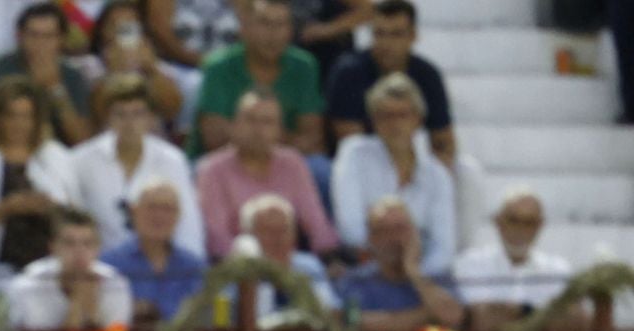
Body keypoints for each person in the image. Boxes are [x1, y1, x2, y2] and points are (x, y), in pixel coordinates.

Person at [0, 75, 80, 273]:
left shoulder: (55, 156)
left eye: (26, 116)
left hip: (50, 270)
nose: (19, 124)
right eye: (11, 115)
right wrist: (6, 208)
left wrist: (50, 209)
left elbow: (76, 219)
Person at [330, 72, 456, 276]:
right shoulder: (354, 154)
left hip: (421, 273)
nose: (394, 124)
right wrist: (388, 266)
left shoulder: (437, 175)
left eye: (402, 115)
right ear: (374, 121)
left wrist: (414, 273)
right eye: (385, 116)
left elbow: (444, 246)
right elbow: (350, 230)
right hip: (367, 266)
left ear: (418, 119)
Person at [70, 75, 202, 263]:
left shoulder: (172, 160)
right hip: (100, 269)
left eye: (137, 114)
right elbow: (75, 221)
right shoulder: (81, 160)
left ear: (150, 118)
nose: (129, 124)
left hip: (159, 267)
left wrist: (188, 272)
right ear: (107, 117)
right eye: (120, 114)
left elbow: (188, 225)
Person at [195, 90, 337, 259]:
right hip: (237, 268)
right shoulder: (212, 170)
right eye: (250, 120)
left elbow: (317, 224)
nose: (258, 129)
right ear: (233, 125)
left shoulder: (292, 163)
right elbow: (217, 238)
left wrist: (330, 258)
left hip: (289, 263)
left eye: (267, 122)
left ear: (280, 131)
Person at [191, 0, 326, 163]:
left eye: (281, 24)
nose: (273, 33)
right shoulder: (217, 66)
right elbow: (214, 137)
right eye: (264, 23)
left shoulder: (305, 66)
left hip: (284, 162)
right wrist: (275, 135)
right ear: (244, 26)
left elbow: (311, 137)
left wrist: (252, 135)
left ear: (291, 29)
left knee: (320, 169)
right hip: (224, 163)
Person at [324, 0, 451, 163]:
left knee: (464, 168)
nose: (386, 43)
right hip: (358, 164)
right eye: (379, 33)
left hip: (410, 162)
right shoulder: (349, 72)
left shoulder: (428, 75)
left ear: (413, 36)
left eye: (396, 34)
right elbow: (350, 140)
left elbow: (444, 140)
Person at [0, 3, 95, 146]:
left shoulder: (72, 75)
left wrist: (55, 87)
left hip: (56, 156)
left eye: (48, 36)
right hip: (0, 150)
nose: (40, 43)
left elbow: (82, 140)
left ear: (62, 39)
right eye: (33, 35)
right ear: (19, 36)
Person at [337, 197, 462, 331]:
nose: (393, 238)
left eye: (400, 229)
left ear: (415, 235)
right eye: (383, 231)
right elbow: (352, 322)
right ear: (371, 239)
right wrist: (426, 315)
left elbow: (451, 316)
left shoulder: (438, 277)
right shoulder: (354, 281)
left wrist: (413, 271)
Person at [453, 189, 572, 331]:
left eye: (529, 222)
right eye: (513, 220)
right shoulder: (469, 264)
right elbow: (483, 319)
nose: (520, 229)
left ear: (540, 226)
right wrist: (539, 315)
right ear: (498, 222)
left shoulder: (558, 270)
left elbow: (572, 321)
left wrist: (515, 312)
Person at [7, 203, 133, 330]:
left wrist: (92, 315)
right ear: (53, 247)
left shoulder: (115, 283)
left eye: (87, 243)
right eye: (69, 243)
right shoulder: (30, 286)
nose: (79, 251)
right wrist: (76, 308)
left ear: (98, 248)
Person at [98, 179, 203, 322]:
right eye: (151, 207)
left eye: (167, 209)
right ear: (134, 212)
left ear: (178, 216)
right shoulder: (109, 264)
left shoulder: (194, 266)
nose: (159, 216)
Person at [237, 191, 337, 315]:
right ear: (250, 237)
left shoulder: (309, 267)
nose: (278, 239)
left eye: (284, 230)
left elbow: (330, 313)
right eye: (268, 231)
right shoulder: (236, 274)